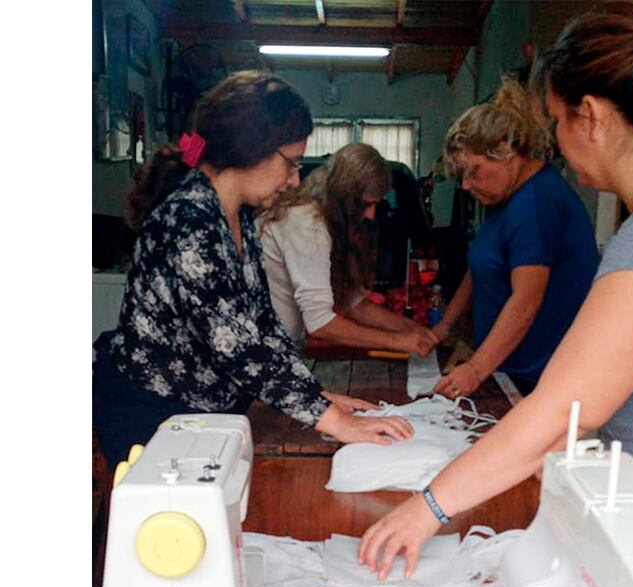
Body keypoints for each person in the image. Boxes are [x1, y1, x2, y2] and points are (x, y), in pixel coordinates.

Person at [358, 1, 633, 577]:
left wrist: (428, 507)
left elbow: (564, 406)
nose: (553, 140)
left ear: (592, 116)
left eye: (557, 120)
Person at [93, 71, 413, 470]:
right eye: (291, 163)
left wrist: (314, 395)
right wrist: (334, 421)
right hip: (155, 416)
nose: (294, 179)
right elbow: (236, 346)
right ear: (251, 150)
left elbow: (262, 326)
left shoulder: (238, 218)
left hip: (203, 413)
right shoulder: (189, 221)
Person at [430, 77, 599, 399]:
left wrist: (476, 368)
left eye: (473, 170)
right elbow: (480, 267)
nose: (465, 185)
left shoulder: (536, 203)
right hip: (508, 368)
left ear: (505, 150)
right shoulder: (503, 200)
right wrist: (444, 327)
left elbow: (525, 300)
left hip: (540, 377)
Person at [255, 143, 439, 356]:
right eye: (366, 204)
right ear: (344, 197)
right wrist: (397, 341)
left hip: (280, 347)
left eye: (376, 204)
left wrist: (412, 329)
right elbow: (320, 323)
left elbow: (352, 302)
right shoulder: (307, 223)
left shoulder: (327, 217)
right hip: (262, 350)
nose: (371, 215)